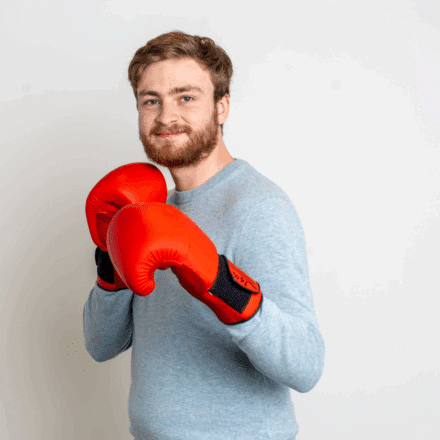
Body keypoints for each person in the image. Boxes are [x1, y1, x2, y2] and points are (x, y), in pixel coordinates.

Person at [83, 30, 325, 440]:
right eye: (150, 100)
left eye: (186, 97)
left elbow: (306, 365)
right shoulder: (149, 210)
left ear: (221, 106)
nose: (166, 117)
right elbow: (100, 345)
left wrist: (222, 283)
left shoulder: (258, 207)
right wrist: (110, 262)